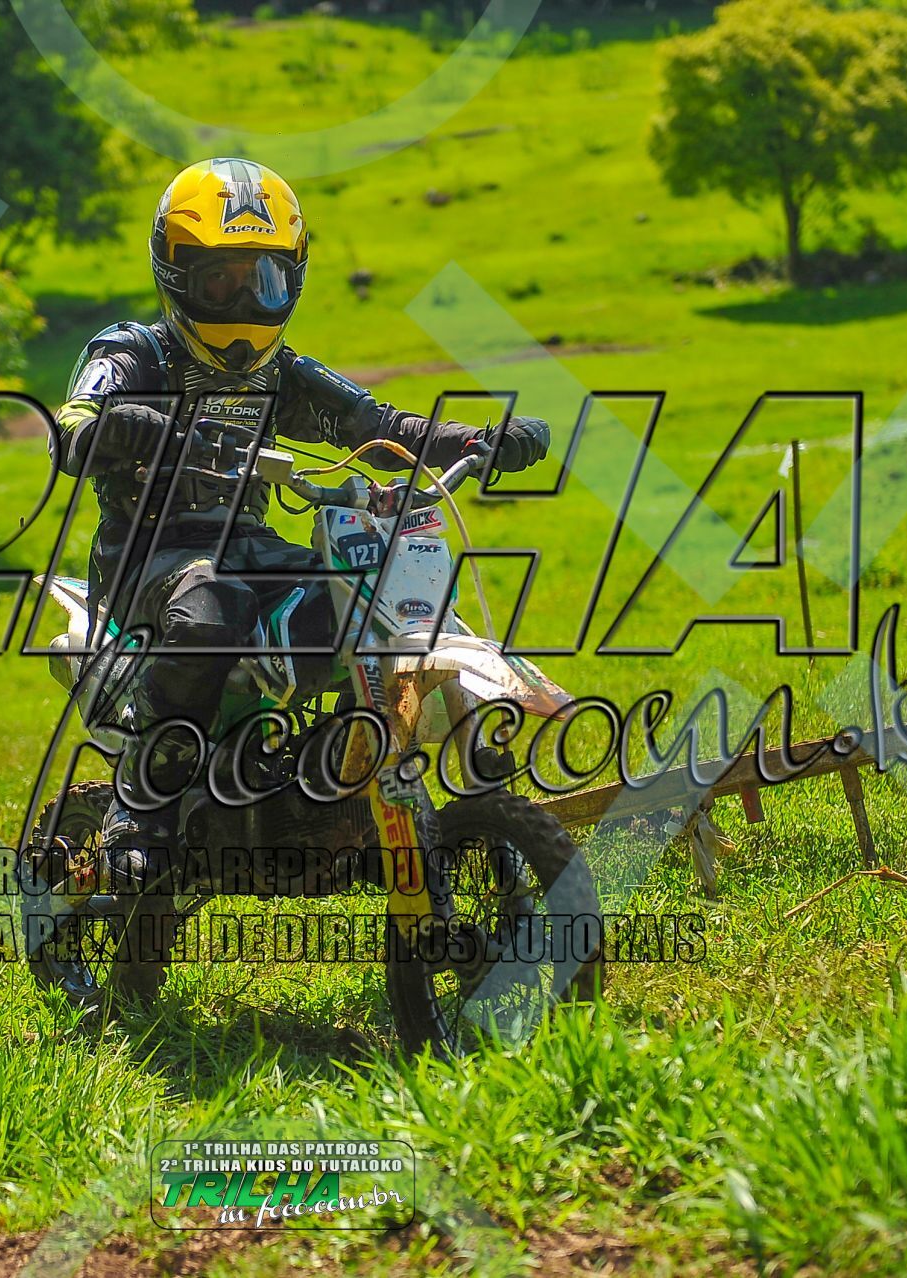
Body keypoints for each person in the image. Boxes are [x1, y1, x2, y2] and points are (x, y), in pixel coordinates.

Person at [52, 156, 551, 876]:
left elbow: (380, 428)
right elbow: (73, 425)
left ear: (292, 277)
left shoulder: (281, 372)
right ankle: (144, 804)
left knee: (360, 608)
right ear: (176, 274)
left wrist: (477, 441)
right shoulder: (134, 353)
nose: (243, 298)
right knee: (211, 612)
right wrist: (128, 425)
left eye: (263, 279)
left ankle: (331, 789)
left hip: (249, 546)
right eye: (220, 280)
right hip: (148, 558)